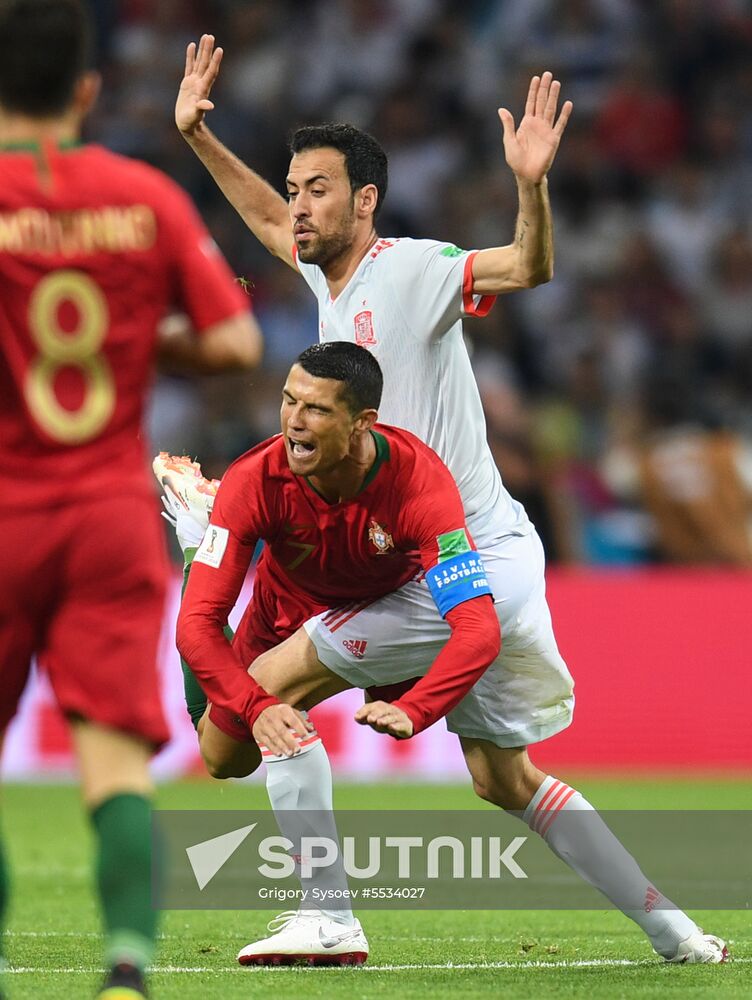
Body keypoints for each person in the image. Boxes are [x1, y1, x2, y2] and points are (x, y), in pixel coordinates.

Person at [172, 33, 727, 966]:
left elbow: (526, 268)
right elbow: (266, 222)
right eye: (296, 187)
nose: (298, 205)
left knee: (268, 690)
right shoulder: (324, 273)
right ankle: (678, 937)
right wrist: (197, 135)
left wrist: (531, 187)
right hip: (494, 552)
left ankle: (328, 916)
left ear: (366, 201)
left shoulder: (412, 267)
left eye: (318, 189)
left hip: (451, 562)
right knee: (504, 779)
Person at [0, 3, 263, 998]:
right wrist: (134, 331)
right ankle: (125, 970)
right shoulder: (143, 198)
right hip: (109, 517)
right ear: (86, 90)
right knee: (114, 764)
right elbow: (236, 343)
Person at [169, 341, 501, 963]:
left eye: (317, 409)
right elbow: (197, 625)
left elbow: (478, 628)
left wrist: (419, 709)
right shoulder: (255, 477)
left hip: (380, 613)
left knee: (497, 776)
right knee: (222, 757)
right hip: (281, 612)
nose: (294, 422)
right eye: (288, 401)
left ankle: (327, 919)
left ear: (361, 423)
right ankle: (197, 541)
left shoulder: (419, 480)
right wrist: (254, 706)